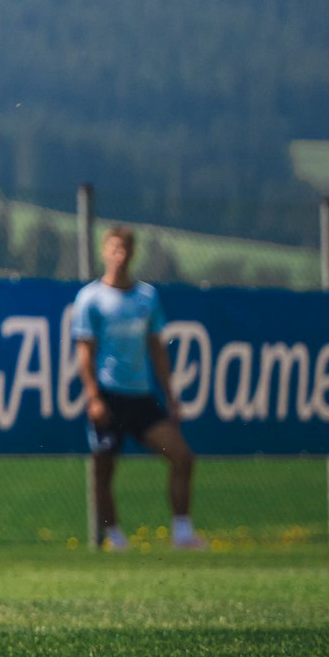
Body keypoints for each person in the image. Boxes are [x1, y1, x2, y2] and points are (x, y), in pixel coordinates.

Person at [67, 225, 202, 552]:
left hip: (141, 396)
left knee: (182, 457)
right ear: (104, 252)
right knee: (104, 467)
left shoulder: (147, 297)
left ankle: (182, 534)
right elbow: (84, 352)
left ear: (132, 253)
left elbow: (157, 348)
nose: (120, 256)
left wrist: (169, 395)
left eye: (125, 249)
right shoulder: (91, 298)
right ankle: (114, 538)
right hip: (109, 395)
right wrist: (94, 397)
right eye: (114, 249)